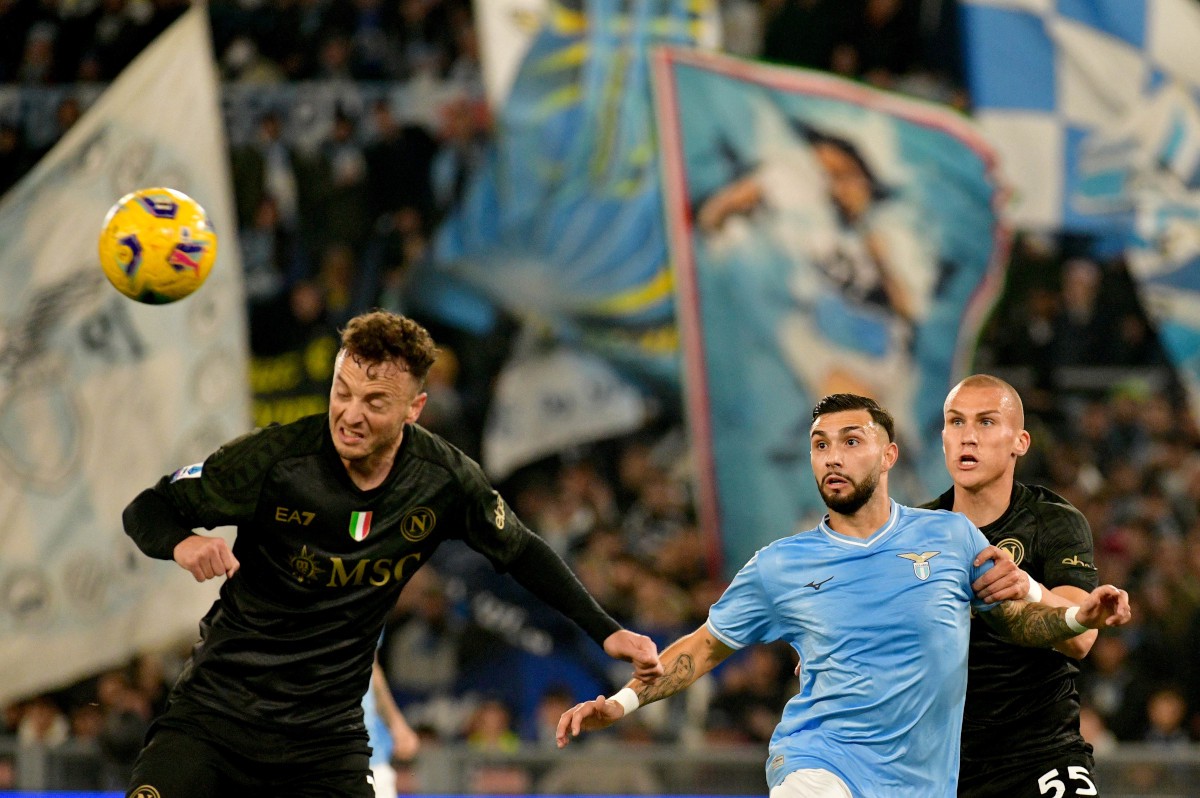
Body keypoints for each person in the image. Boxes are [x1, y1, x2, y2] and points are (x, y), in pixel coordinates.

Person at [121, 310, 663, 798]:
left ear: (415, 409)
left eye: (374, 401)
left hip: (324, 742)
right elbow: (148, 507)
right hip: (215, 716)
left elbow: (521, 551)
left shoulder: (445, 480)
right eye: (342, 391)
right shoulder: (274, 459)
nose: (350, 415)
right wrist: (183, 541)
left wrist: (604, 629)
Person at [557, 393, 1130, 797]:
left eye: (851, 441)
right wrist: (622, 704)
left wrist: (1077, 615)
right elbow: (703, 648)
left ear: (888, 456)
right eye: (820, 444)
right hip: (820, 761)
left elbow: (1020, 624)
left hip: (927, 780)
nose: (832, 455)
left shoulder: (949, 536)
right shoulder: (779, 566)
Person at [924, 374, 1105, 797]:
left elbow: (1080, 637)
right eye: (956, 422)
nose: (968, 437)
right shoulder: (914, 535)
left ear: (1020, 442)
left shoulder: (1053, 521)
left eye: (986, 422)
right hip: (944, 764)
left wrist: (1027, 587)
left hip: (1042, 755)